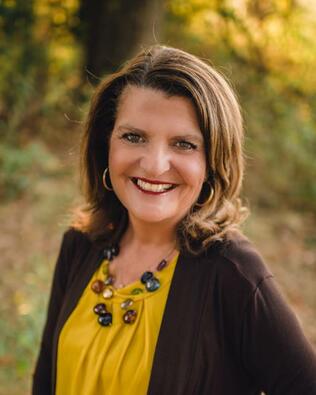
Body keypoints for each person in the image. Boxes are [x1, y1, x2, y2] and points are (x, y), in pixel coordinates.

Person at [32, 45, 316, 395]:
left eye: (183, 144)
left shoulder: (234, 274)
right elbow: (46, 381)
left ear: (213, 161)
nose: (154, 165)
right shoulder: (80, 246)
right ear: (106, 144)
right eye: (133, 137)